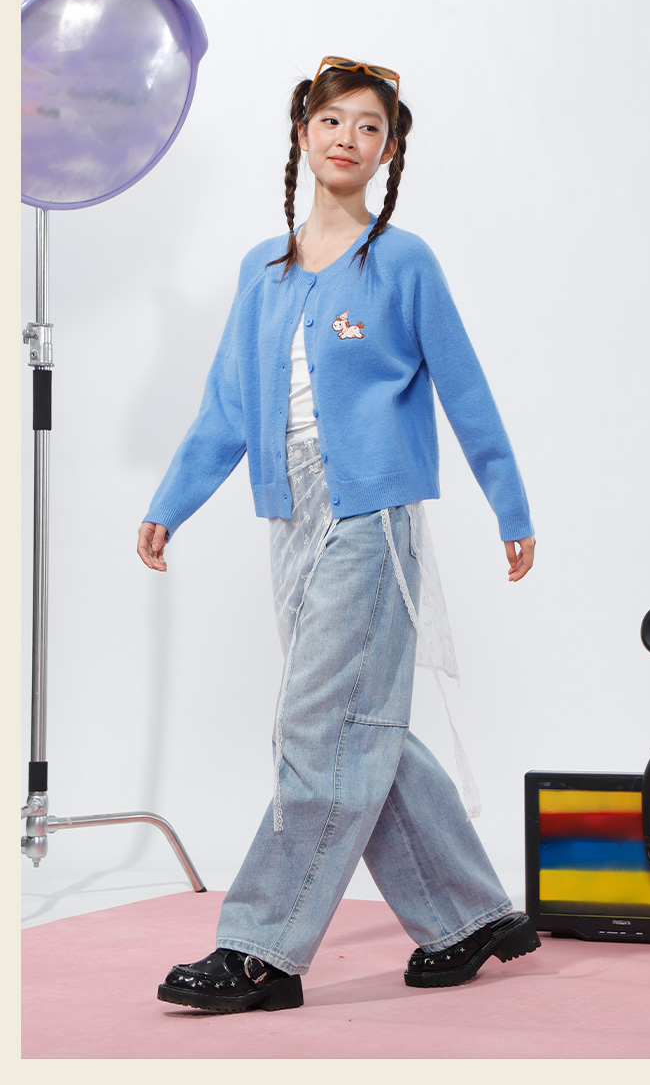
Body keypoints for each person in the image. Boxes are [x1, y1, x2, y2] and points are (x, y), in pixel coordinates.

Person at [137, 56, 539, 1014]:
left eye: (369, 126)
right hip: (289, 513)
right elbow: (228, 405)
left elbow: (465, 387)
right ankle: (470, 915)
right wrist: (171, 500)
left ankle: (262, 948)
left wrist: (510, 504)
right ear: (303, 134)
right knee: (361, 723)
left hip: (373, 515)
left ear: (388, 151)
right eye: (332, 120)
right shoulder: (262, 270)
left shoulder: (403, 261)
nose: (347, 138)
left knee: (319, 725)